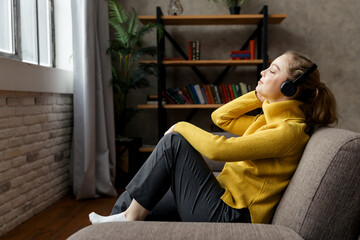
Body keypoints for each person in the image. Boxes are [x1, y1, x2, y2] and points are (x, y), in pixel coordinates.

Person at [89, 50, 338, 224]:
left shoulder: (288, 131)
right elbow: (221, 118)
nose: (263, 71)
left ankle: (127, 218)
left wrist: (180, 126)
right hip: (221, 200)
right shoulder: (268, 120)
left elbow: (219, 150)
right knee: (144, 198)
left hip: (232, 215)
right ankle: (119, 221)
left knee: (175, 142)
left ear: (289, 88)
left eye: (272, 71)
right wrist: (257, 95)